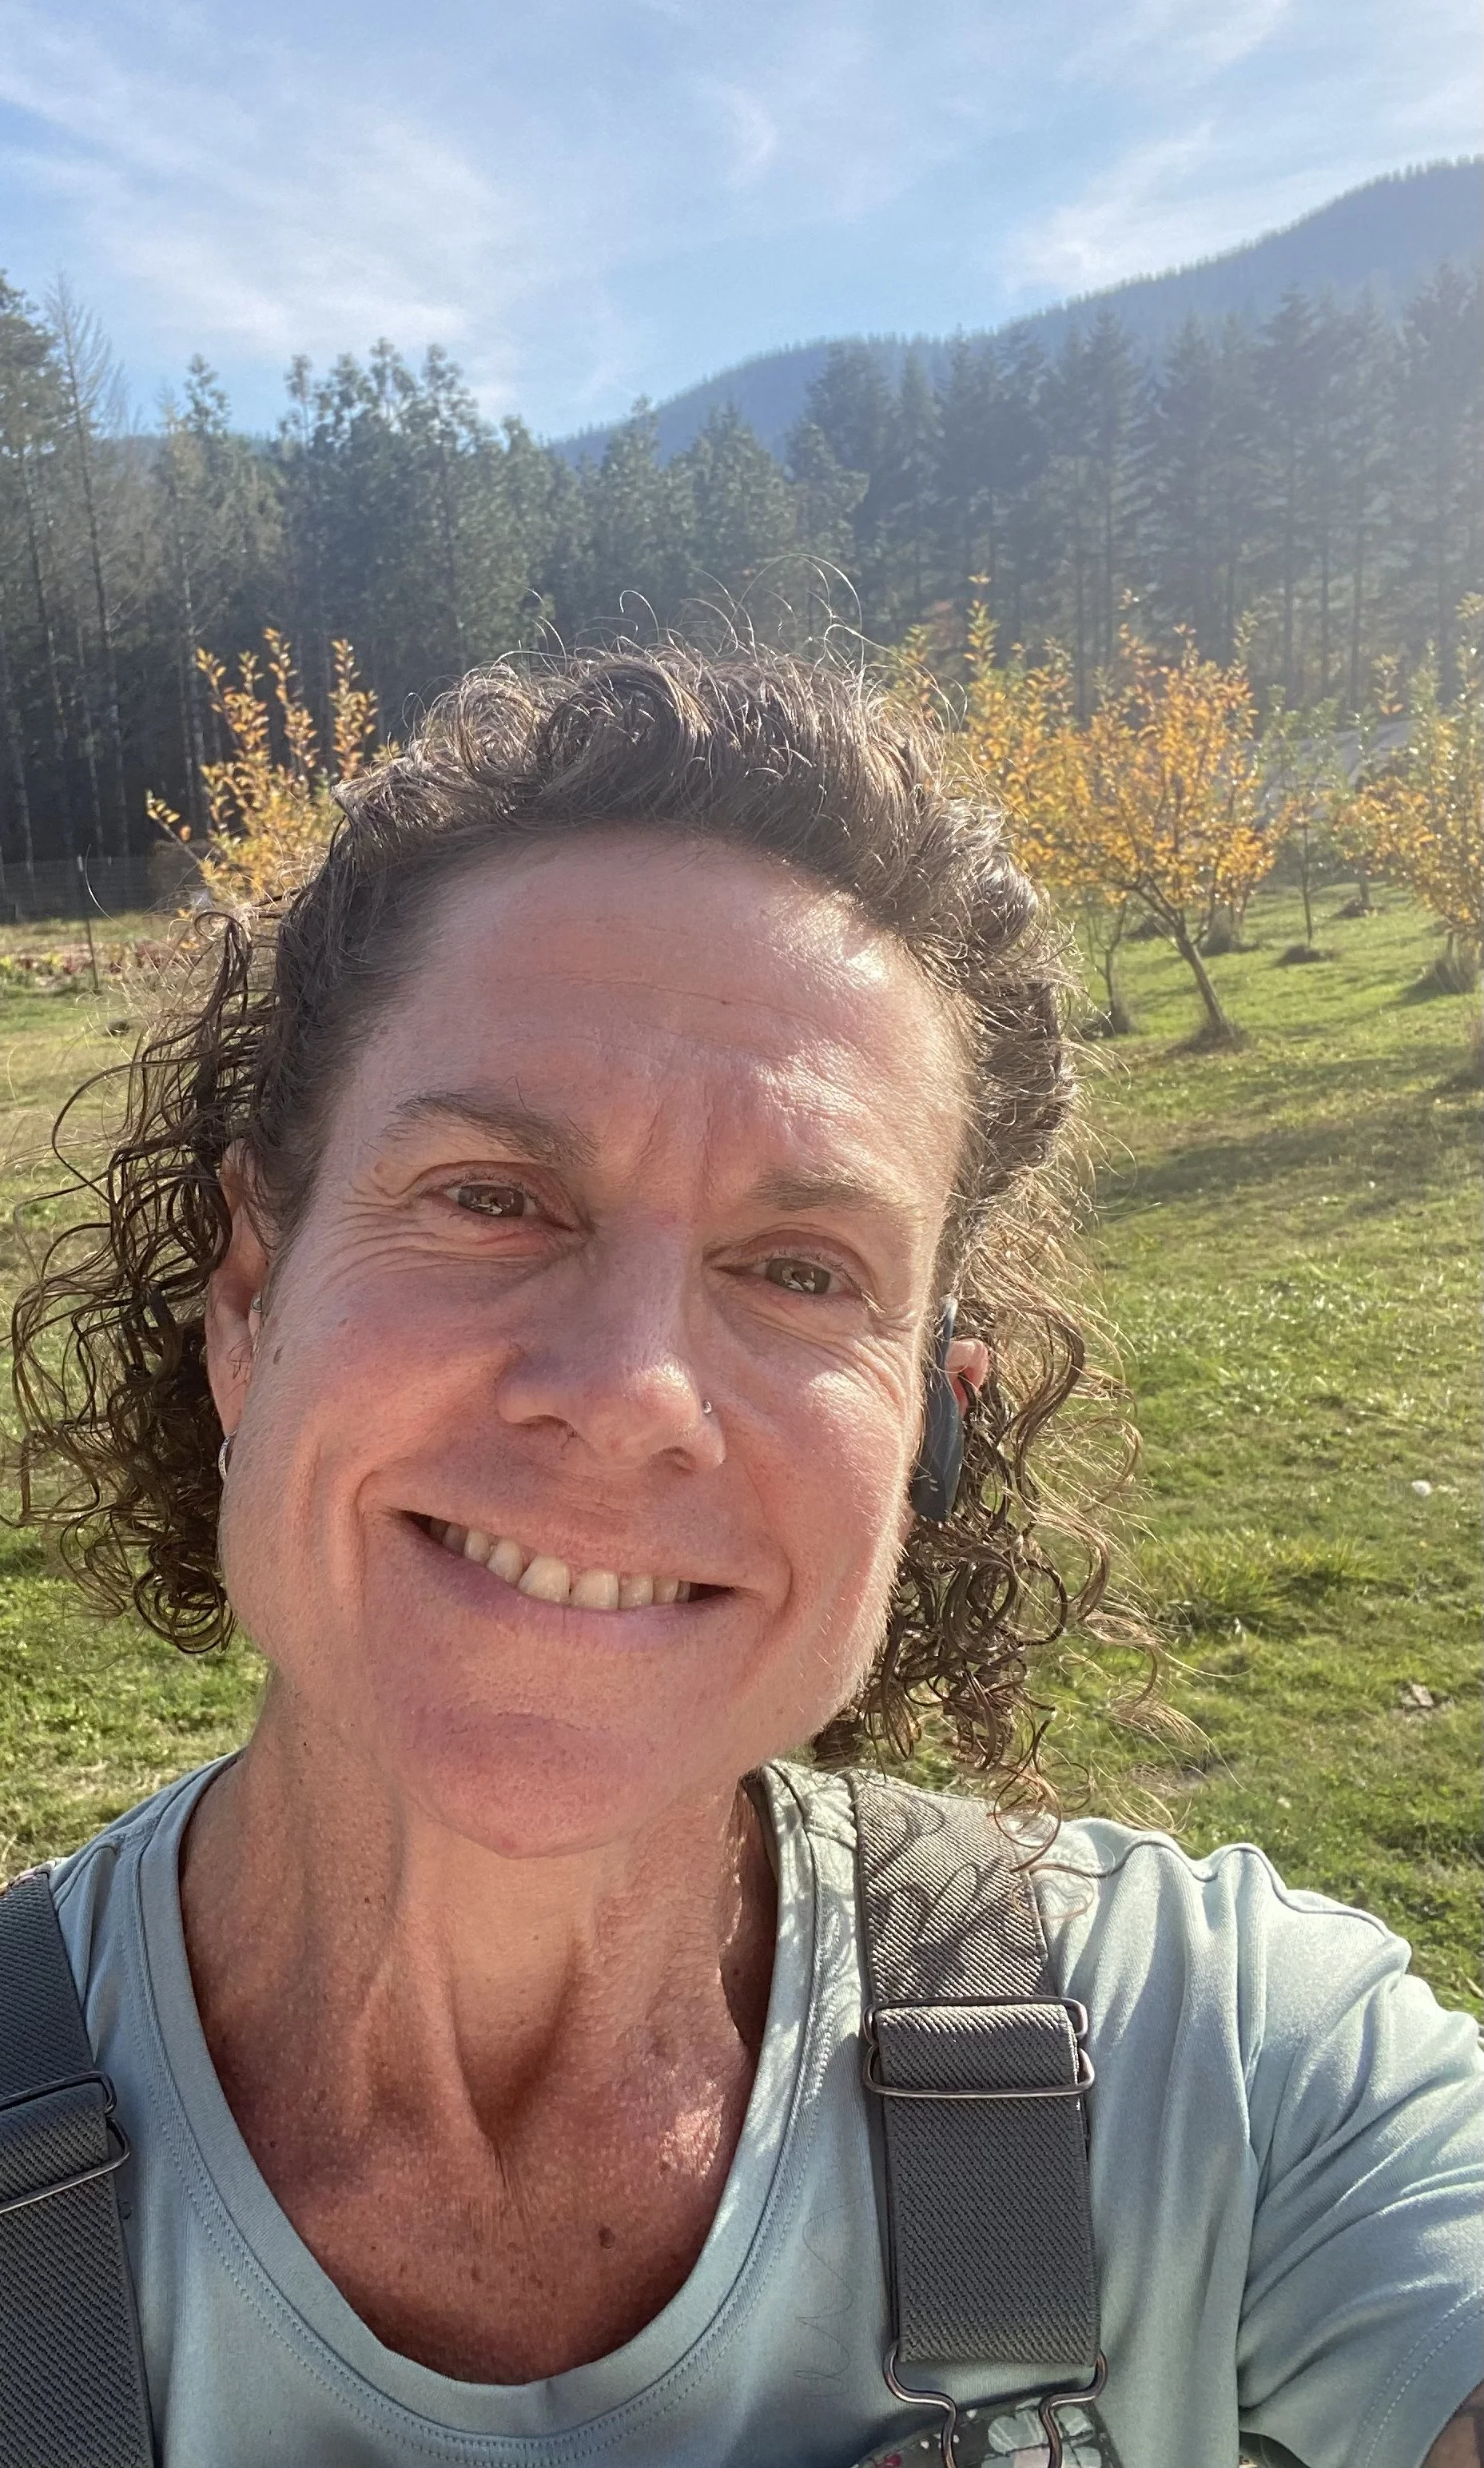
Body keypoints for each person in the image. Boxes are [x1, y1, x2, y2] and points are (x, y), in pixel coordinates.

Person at [4, 647, 1480, 2468]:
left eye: (802, 1270)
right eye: (490, 1194)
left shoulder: (1232, 2076)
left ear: (931, 1425)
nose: (632, 1394)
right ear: (249, 1298)